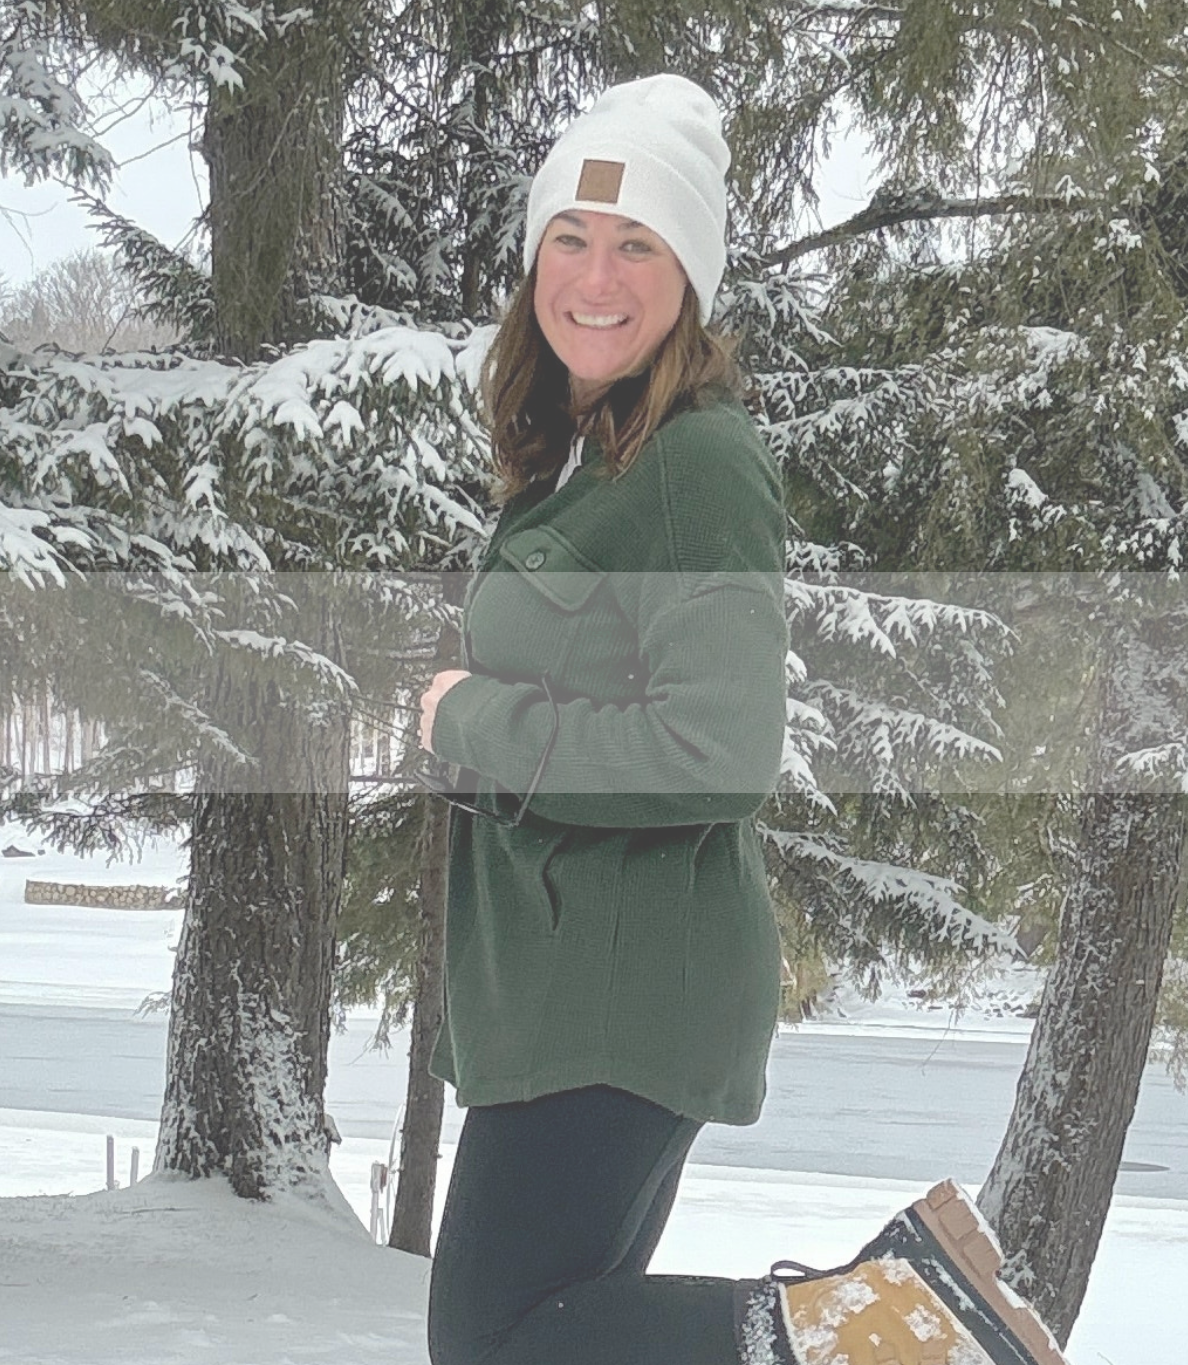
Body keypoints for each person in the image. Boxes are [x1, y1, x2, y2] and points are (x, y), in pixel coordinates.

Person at [414, 73, 1069, 1365]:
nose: (596, 277)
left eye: (638, 246)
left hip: (618, 994)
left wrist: (472, 721)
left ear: (691, 279)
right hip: (571, 986)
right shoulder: (588, 453)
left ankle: (874, 1334)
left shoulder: (696, 461)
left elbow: (718, 749)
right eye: (571, 239)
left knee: (493, 1342)